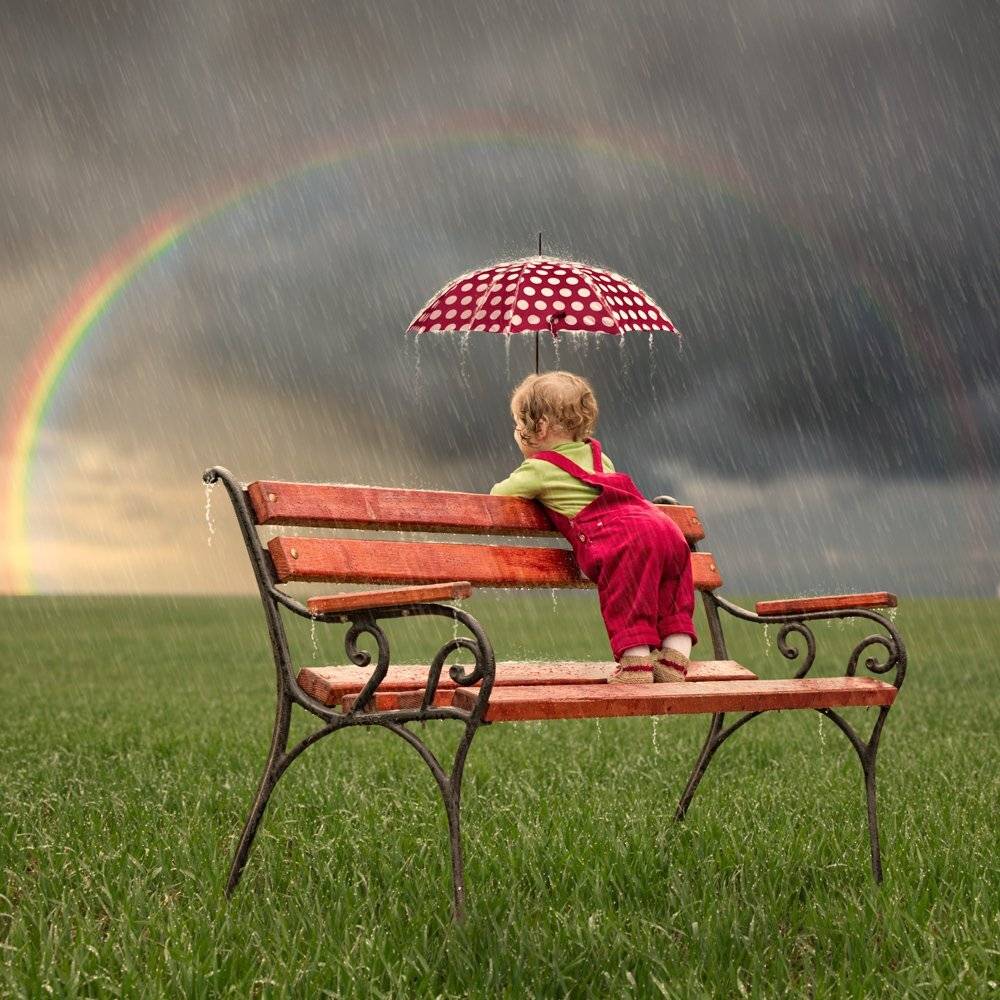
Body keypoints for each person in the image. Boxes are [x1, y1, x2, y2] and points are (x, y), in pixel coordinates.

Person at [490, 371, 697, 684]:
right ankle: (674, 661)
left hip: (624, 537)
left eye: (519, 426)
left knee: (627, 595)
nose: (517, 433)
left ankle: (636, 667)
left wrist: (528, 471)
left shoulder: (539, 469)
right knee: (672, 593)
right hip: (663, 527)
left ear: (541, 427)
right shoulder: (601, 458)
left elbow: (498, 498)